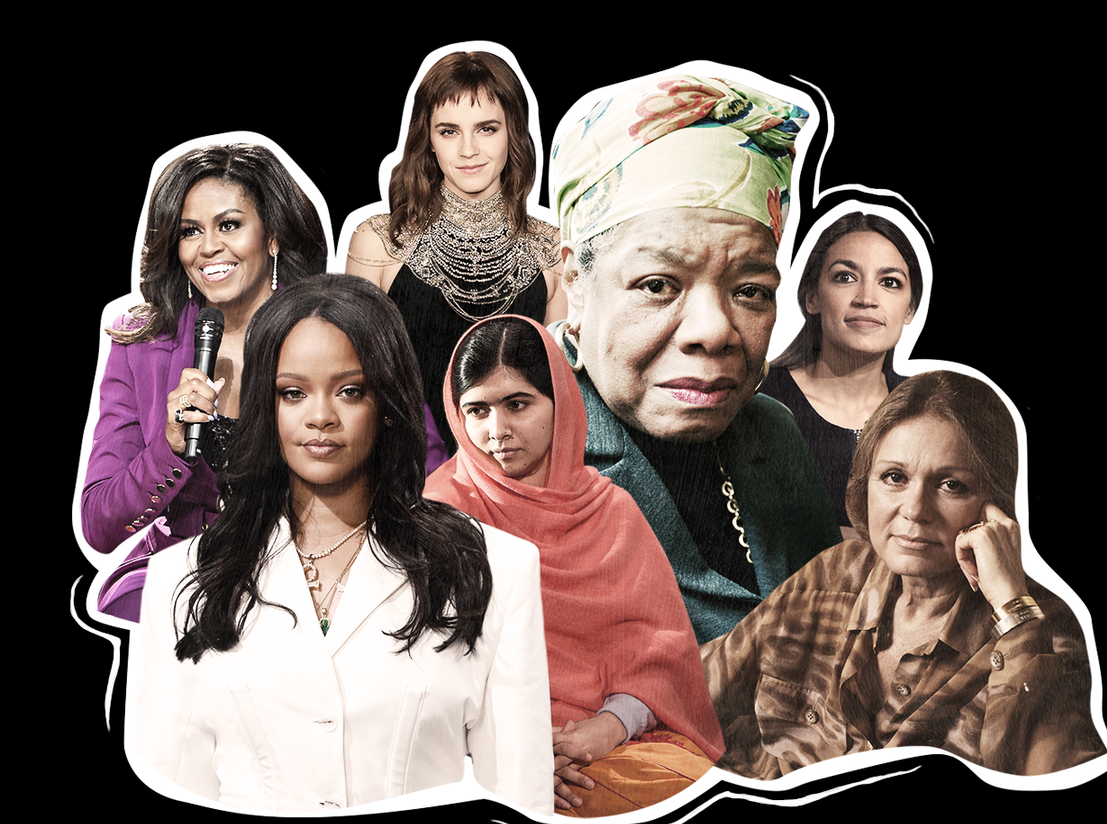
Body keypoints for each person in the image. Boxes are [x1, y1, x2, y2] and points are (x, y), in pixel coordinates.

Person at [131, 275, 553, 815]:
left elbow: (520, 807)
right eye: (293, 393)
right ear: (265, 406)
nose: (320, 417)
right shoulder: (182, 580)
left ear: (388, 402)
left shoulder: (493, 569)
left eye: (350, 391)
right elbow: (172, 788)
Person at [551, 73, 842, 643]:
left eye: (750, 290)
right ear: (576, 283)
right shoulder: (515, 455)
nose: (714, 331)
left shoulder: (772, 432)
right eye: (658, 284)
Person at [702, 370, 1106, 778]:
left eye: (951, 485)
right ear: (866, 483)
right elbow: (695, 684)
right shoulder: (835, 573)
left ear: (996, 504)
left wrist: (1010, 605)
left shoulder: (1044, 630)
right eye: (894, 477)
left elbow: (1058, 781)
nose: (915, 510)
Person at [426, 315, 724, 817]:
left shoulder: (611, 511)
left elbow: (658, 656)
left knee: (695, 791)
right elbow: (429, 672)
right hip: (483, 751)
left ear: (561, 402)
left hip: (610, 739)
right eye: (477, 410)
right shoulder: (442, 514)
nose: (497, 431)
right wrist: (516, 758)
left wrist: (606, 729)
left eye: (517, 404)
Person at [80, 143, 334, 621]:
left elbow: (414, 468)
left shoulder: (334, 331)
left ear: (272, 236)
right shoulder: (142, 346)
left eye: (229, 225)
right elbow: (99, 524)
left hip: (306, 579)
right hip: (183, 582)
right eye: (190, 231)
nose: (208, 247)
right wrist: (169, 448)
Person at [346, 49, 566, 456]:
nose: (468, 150)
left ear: (514, 133)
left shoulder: (551, 250)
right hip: (405, 471)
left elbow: (561, 400)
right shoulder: (378, 241)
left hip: (518, 472)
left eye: (486, 129)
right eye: (449, 131)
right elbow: (353, 383)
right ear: (428, 140)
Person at [762, 211, 924, 539]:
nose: (867, 299)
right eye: (845, 277)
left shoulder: (929, 411)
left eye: (889, 282)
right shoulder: (758, 399)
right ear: (812, 297)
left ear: (910, 309)